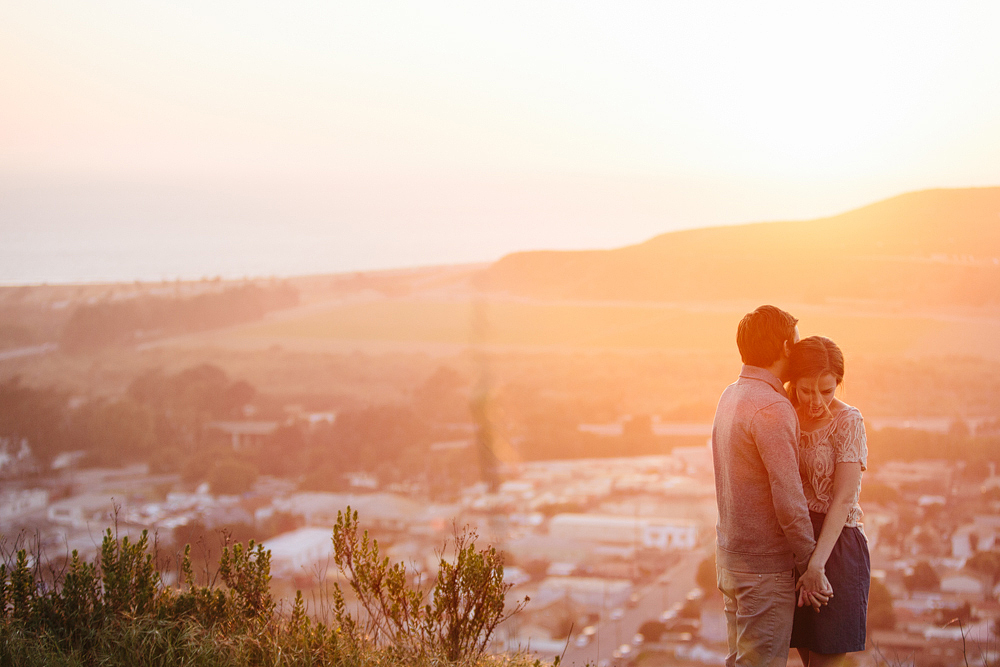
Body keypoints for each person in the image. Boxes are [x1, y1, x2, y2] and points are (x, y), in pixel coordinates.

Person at [713, 305, 831, 667]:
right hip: (764, 569)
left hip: (730, 560)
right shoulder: (773, 408)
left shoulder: (730, 395)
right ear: (784, 346)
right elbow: (789, 498)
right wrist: (811, 564)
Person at [788, 337, 870, 666]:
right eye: (807, 390)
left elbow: (843, 498)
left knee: (826, 658)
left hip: (835, 549)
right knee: (806, 657)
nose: (816, 401)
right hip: (796, 544)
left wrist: (816, 566)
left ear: (838, 382)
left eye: (827, 390)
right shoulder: (785, 413)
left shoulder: (848, 421)